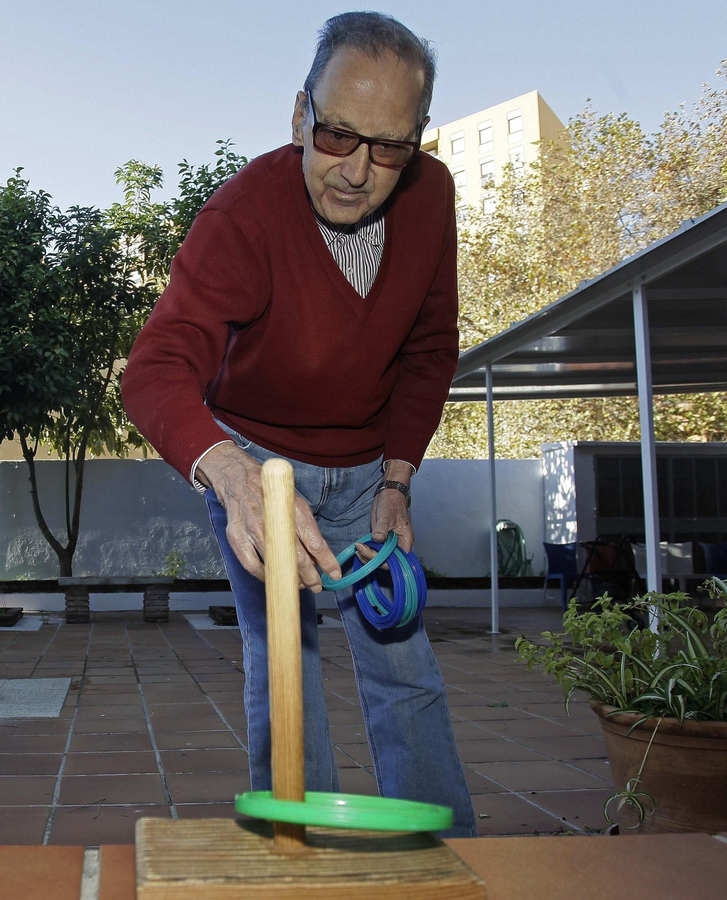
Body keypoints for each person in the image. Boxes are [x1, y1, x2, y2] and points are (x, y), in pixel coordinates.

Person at [119, 12, 475, 835]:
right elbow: (156, 369)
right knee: (286, 660)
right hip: (260, 470)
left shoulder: (434, 200)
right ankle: (298, 849)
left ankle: (446, 855)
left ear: (418, 142)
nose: (356, 172)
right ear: (299, 117)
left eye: (389, 148)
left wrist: (397, 481)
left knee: (405, 666)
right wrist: (234, 476)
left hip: (366, 475)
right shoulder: (243, 214)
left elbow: (430, 348)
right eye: (338, 136)